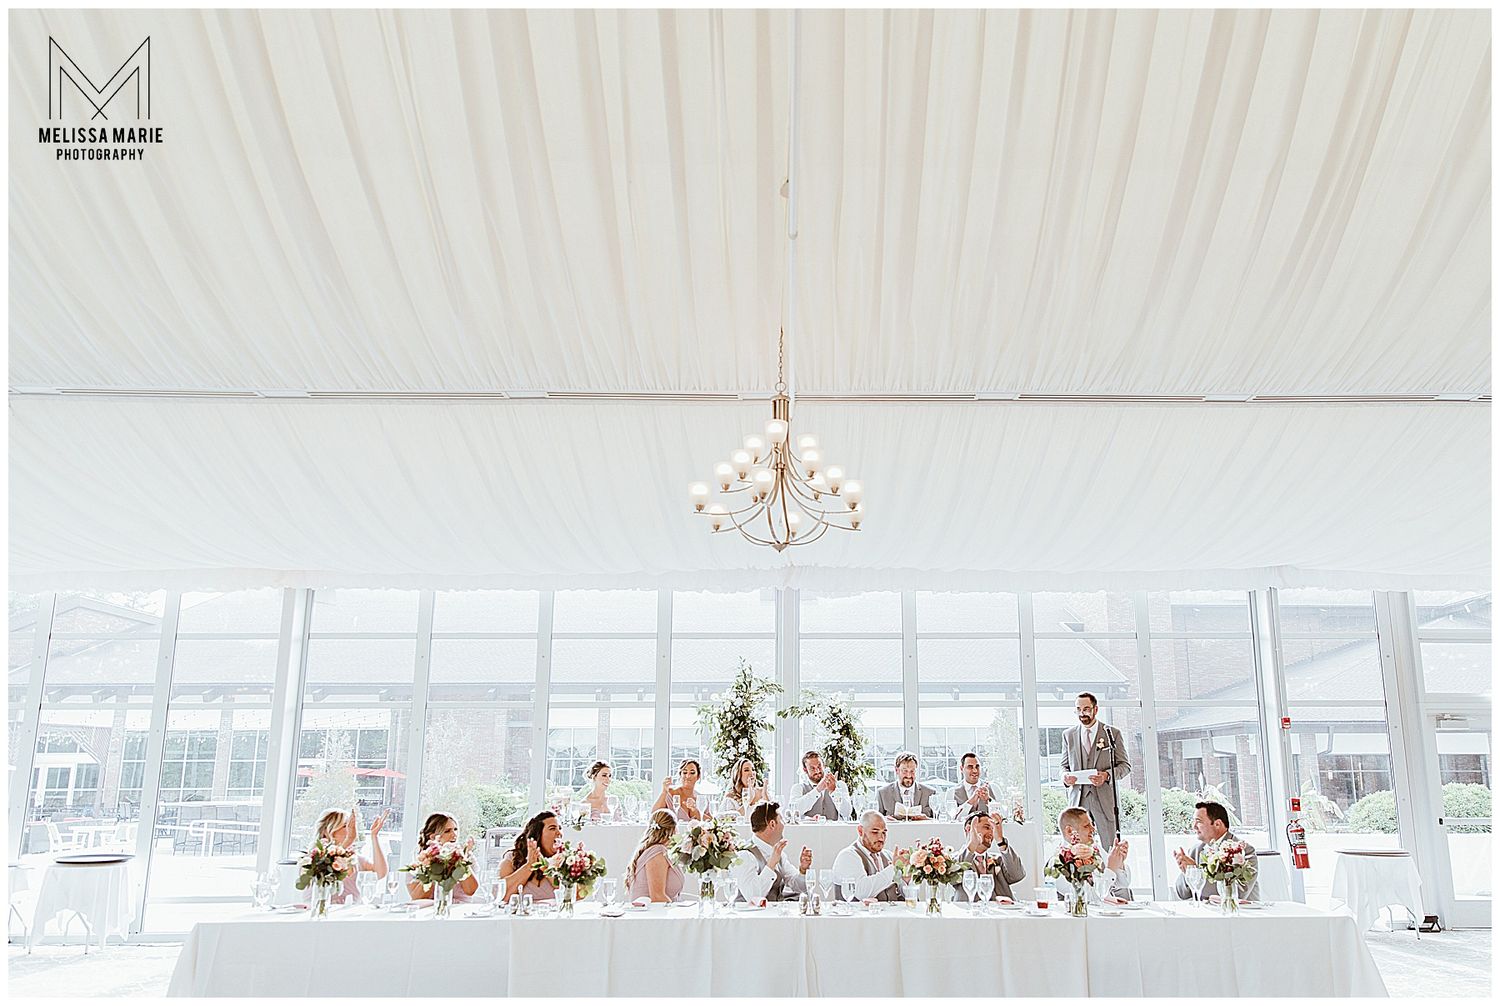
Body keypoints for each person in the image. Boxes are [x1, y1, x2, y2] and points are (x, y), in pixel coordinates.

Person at [1060, 692, 1131, 850]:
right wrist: (1065, 776)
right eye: (1078, 709)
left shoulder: (1112, 733)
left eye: (1086, 709)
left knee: (1110, 848)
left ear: (1095, 709)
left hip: (1104, 801)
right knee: (1077, 850)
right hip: (1078, 801)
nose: (1082, 713)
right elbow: (1064, 766)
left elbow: (1125, 766)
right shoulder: (1068, 735)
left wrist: (1106, 775)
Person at [1173, 800, 1260, 902]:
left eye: (1198, 821)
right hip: (1205, 911)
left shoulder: (1244, 851)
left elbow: (1239, 893)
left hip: (1241, 911)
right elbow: (1182, 894)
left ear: (1217, 824)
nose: (1194, 826)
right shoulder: (1195, 850)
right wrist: (1188, 872)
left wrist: (1198, 874)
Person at [731, 801, 812, 901]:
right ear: (772, 824)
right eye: (781, 820)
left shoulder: (778, 853)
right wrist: (771, 864)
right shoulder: (744, 855)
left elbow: (798, 887)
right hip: (749, 911)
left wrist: (803, 870)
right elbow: (753, 897)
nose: (784, 824)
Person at [1055, 806, 1131, 902]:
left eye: (1092, 824)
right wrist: (1111, 869)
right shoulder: (1060, 861)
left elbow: (1123, 883)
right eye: (1086, 826)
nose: (1093, 829)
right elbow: (1089, 898)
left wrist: (1118, 861)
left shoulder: (1095, 848)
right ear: (1069, 831)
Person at [315, 806, 389, 903]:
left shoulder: (355, 858)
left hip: (352, 911)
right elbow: (326, 866)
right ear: (328, 831)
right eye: (345, 826)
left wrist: (374, 836)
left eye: (351, 825)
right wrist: (349, 840)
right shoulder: (315, 857)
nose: (351, 829)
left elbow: (381, 873)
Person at [405, 813, 480, 902]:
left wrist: (460, 861)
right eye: (447, 831)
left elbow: (471, 891)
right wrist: (432, 864)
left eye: (455, 829)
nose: (454, 834)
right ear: (433, 837)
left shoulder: (467, 857)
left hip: (461, 909)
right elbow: (417, 898)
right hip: (430, 909)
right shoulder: (419, 862)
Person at [954, 809, 1026, 902]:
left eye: (993, 829)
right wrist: (972, 845)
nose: (992, 833)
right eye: (987, 827)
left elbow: (1018, 875)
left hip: (1002, 910)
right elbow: (953, 878)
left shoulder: (999, 860)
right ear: (969, 829)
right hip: (969, 910)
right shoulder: (955, 860)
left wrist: (1001, 841)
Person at [831, 811, 902, 901]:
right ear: (860, 831)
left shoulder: (888, 855)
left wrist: (907, 878)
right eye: (875, 832)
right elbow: (861, 892)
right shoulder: (847, 856)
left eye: (884, 833)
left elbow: (906, 894)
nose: (881, 838)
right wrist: (894, 868)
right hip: (857, 911)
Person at [498, 810, 563, 901]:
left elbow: (573, 896)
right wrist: (529, 865)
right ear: (537, 834)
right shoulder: (513, 858)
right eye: (552, 828)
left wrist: (545, 867)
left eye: (560, 828)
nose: (559, 833)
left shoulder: (566, 860)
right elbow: (503, 897)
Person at [624, 808, 685, 902]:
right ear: (673, 830)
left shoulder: (658, 850)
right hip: (653, 910)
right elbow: (657, 897)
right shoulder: (657, 852)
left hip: (661, 909)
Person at [790, 750, 853, 821]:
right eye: (812, 768)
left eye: (819, 766)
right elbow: (794, 811)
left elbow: (847, 813)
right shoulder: (798, 788)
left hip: (834, 828)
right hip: (809, 828)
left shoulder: (840, 785)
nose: (817, 771)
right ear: (805, 770)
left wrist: (834, 791)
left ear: (824, 765)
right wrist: (817, 790)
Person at [875, 751, 936, 819]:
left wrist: (927, 819)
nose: (909, 775)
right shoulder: (883, 793)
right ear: (897, 770)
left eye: (912, 771)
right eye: (905, 771)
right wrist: (887, 819)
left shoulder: (930, 792)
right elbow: (877, 821)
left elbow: (939, 820)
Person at [950, 752, 996, 819]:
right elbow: (952, 819)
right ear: (961, 769)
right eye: (970, 767)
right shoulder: (952, 792)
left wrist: (988, 800)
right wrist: (970, 802)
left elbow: (1003, 816)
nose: (975, 771)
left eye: (977, 766)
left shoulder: (993, 788)